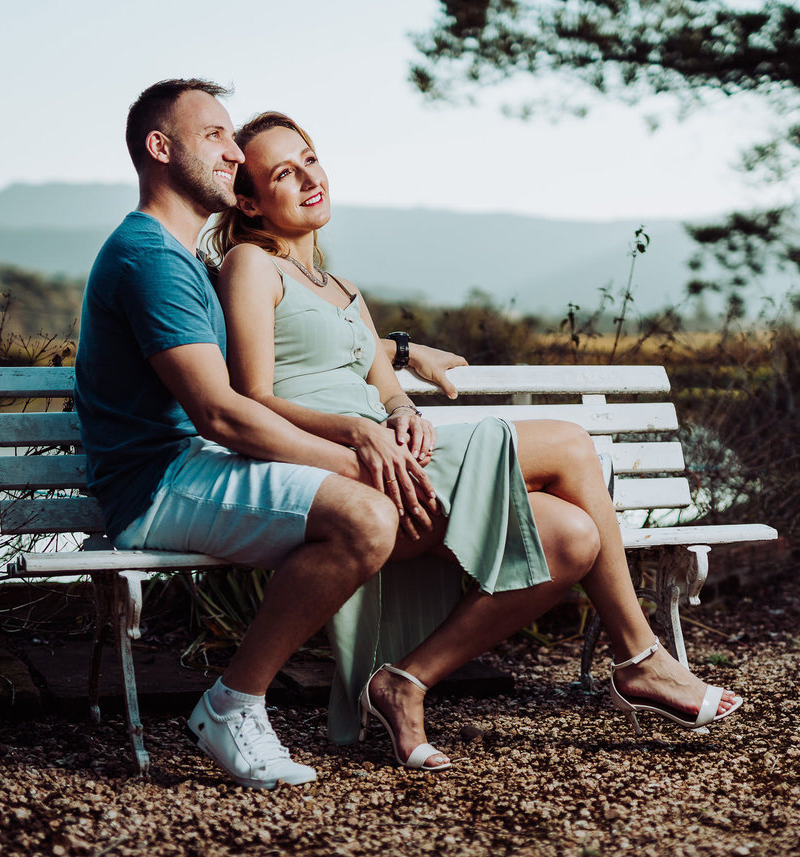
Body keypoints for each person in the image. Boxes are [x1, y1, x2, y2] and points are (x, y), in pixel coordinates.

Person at [204, 111, 743, 773]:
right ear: (252, 201)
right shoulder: (249, 265)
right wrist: (363, 430)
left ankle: (405, 681)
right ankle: (639, 658)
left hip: (395, 456)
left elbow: (383, 385)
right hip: (344, 477)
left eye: (309, 158)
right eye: (283, 173)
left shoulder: (344, 290)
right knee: (572, 444)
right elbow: (252, 395)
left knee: (572, 537)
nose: (308, 177)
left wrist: (402, 408)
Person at [73, 79, 466, 790]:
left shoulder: (180, 257)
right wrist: (356, 457)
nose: (233, 151)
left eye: (231, 136)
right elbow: (221, 413)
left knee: (375, 510)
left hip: (191, 468)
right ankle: (233, 703)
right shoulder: (151, 259)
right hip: (156, 486)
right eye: (215, 135)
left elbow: (280, 336)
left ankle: (372, 677)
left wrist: (402, 355)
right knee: (365, 516)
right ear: (159, 149)